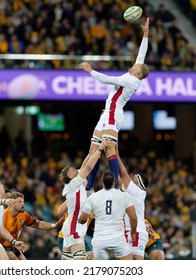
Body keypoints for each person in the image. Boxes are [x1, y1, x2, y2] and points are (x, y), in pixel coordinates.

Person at [79, 17, 150, 190]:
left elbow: (109, 79)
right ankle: (88, 184)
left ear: (138, 74)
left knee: (110, 148)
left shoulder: (132, 81)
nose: (134, 66)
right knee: (93, 150)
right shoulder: (134, 73)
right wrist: (146, 35)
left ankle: (116, 186)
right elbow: (141, 55)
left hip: (114, 113)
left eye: (137, 68)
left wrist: (91, 71)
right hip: (106, 113)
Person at [59, 139, 111, 260]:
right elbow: (87, 168)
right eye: (73, 170)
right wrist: (99, 149)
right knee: (82, 261)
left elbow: (85, 164)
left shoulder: (75, 183)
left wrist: (93, 148)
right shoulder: (73, 184)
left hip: (74, 227)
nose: (76, 170)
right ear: (70, 176)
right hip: (74, 228)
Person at [78, 170, 137, 260]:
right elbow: (133, 218)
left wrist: (79, 220)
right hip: (118, 239)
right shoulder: (125, 196)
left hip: (99, 240)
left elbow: (82, 219)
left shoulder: (93, 197)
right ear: (115, 181)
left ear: (102, 182)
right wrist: (133, 233)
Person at [0, 191, 65, 260]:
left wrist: (54, 225)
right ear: (12, 203)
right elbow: (0, 232)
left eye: (23, 201)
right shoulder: (3, 215)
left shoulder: (23, 215)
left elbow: (38, 224)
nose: (23, 204)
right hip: (0, 246)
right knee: (14, 259)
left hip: (12, 246)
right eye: (20, 202)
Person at [118, 150, 149, 259]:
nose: (131, 181)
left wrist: (115, 153)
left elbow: (123, 174)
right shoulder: (133, 192)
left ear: (139, 184)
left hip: (137, 232)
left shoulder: (138, 191)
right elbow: (119, 177)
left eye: (134, 180)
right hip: (129, 232)